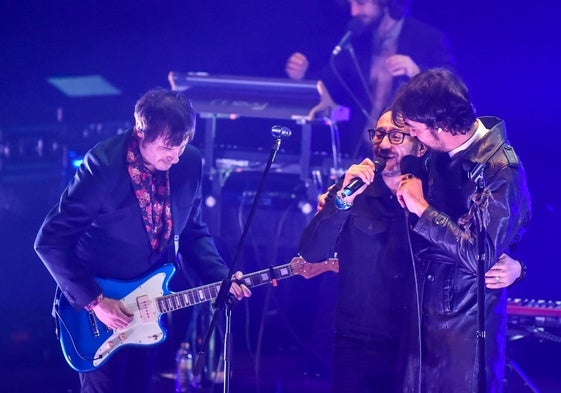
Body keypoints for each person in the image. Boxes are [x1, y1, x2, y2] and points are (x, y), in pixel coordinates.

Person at [34, 88, 251, 393]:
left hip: (150, 306)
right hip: (99, 308)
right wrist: (95, 301)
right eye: (166, 146)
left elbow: (192, 233)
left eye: (183, 144)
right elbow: (50, 240)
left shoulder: (189, 163)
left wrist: (221, 278)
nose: (175, 156)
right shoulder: (103, 166)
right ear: (140, 131)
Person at [299, 108, 524, 393]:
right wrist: (341, 201)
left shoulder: (439, 195)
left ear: (419, 146)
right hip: (360, 344)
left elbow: (481, 244)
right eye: (378, 134)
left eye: (395, 136)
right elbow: (312, 252)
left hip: (419, 347)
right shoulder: (352, 190)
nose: (383, 144)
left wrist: (518, 269)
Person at [392, 68, 531, 392]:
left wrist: (423, 209)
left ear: (440, 126)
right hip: (423, 312)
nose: (415, 138)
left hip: (466, 322)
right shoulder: (440, 154)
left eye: (416, 130)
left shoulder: (500, 170)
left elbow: (480, 253)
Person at [285, 0, 455, 157]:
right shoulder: (358, 42)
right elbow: (329, 83)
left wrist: (417, 71)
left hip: (410, 151)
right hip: (364, 148)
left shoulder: (426, 37)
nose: (354, 11)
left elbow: (454, 88)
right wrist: (302, 75)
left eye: (360, 3)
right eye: (351, 4)